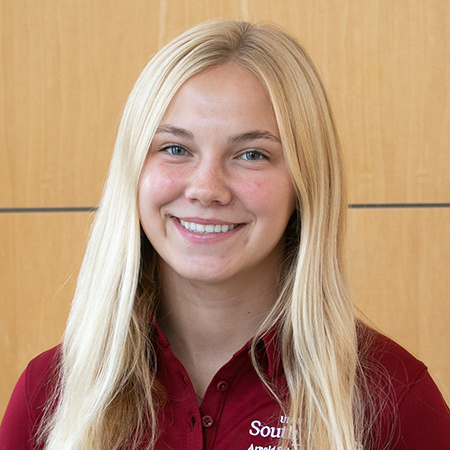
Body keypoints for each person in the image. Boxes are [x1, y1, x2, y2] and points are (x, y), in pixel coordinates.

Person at [1, 19, 449, 450]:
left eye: (251, 154)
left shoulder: (393, 399)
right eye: (175, 148)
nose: (206, 189)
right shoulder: (50, 394)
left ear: (305, 183)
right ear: (133, 173)